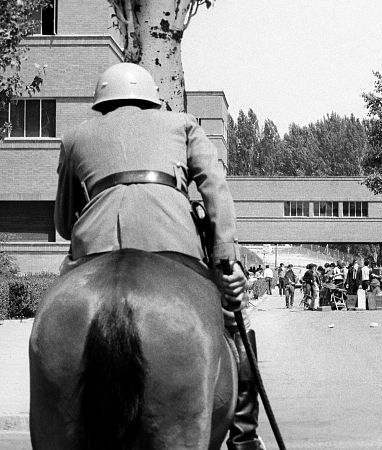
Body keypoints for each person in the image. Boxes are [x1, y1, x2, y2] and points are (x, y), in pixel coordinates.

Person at [53, 63, 263, 450]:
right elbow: (215, 186)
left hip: (96, 245)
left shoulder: (75, 136)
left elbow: (66, 221)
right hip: (173, 240)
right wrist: (225, 258)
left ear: (101, 101)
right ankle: (245, 436)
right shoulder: (182, 124)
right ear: (153, 97)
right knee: (238, 316)